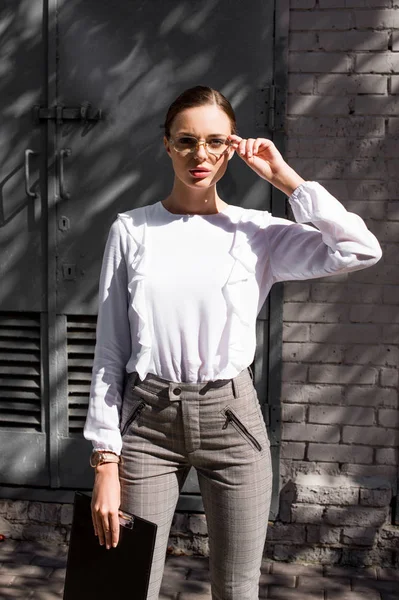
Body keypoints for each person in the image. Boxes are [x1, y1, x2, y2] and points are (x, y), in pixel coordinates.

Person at [83, 85, 382, 600]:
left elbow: (359, 250)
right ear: (167, 145)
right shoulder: (132, 231)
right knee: (122, 583)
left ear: (231, 147)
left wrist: (285, 179)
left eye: (215, 142)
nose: (201, 155)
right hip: (147, 421)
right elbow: (110, 351)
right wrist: (105, 462)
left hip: (233, 420)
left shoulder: (257, 232)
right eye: (187, 141)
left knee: (237, 589)